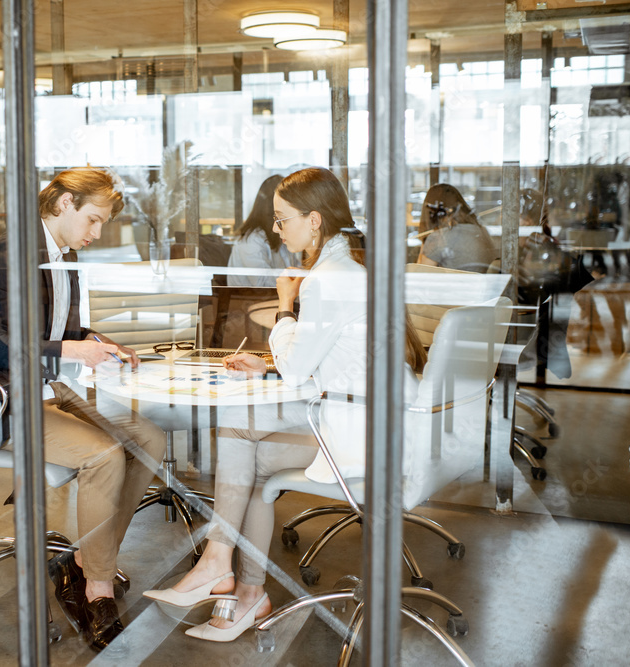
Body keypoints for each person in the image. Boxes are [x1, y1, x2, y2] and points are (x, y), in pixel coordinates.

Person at [143, 167, 424, 642]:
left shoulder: (327, 279)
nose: (277, 229)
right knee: (246, 453)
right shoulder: (345, 269)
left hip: (358, 429)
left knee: (236, 428)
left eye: (282, 219)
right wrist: (272, 364)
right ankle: (241, 587)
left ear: (314, 220)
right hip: (369, 417)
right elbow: (330, 358)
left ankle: (224, 570)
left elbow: (300, 370)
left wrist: (285, 307)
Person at [0, 167, 167, 652]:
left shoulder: (63, 258)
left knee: (150, 439)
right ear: (62, 205)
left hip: (49, 387)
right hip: (1, 400)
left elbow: (58, 332)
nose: (96, 234)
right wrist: (72, 353)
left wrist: (95, 341)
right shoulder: (7, 256)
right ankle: (96, 587)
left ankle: (83, 564)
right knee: (104, 455)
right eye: (93, 220)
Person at [227, 174, 300, 287]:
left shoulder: (279, 235)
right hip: (248, 301)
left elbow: (294, 267)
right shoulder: (251, 239)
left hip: (273, 298)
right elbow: (262, 284)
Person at [417, 183, 498, 273]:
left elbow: (421, 275)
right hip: (481, 285)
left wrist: (426, 242)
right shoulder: (481, 231)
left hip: (456, 286)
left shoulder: (439, 238)